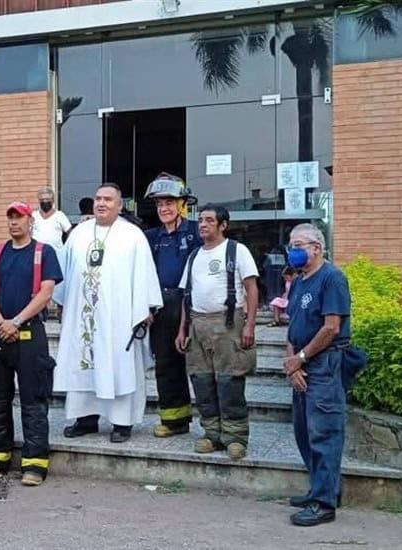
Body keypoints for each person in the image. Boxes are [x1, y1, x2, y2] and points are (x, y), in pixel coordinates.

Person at [54, 183, 162, 443]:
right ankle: (85, 419)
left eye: (108, 199)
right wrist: (61, 303)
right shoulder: (79, 234)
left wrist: (146, 308)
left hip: (119, 317)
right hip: (84, 316)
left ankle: (121, 423)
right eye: (98, 199)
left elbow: (145, 273)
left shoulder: (133, 235)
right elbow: (63, 273)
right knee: (84, 364)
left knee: (118, 367)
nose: (101, 204)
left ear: (119, 204)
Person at [0, 201, 62, 486]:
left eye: (19, 218)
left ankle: (35, 462)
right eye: (10, 217)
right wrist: (1, 321)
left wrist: (16, 321)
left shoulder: (43, 253)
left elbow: (45, 293)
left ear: (30, 222)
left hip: (29, 335)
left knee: (34, 398)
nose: (14, 222)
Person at [176, 204, 258, 460]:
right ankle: (211, 434)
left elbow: (252, 289)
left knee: (230, 381)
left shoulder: (237, 251)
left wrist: (250, 324)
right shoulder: (193, 257)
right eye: (200, 220)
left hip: (229, 324)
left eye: (209, 220)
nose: (202, 224)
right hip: (197, 325)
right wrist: (182, 330)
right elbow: (186, 297)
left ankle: (235, 437)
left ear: (223, 225)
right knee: (202, 382)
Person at [282, 224, 351, 527]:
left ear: (317, 248)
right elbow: (292, 325)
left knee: (324, 433)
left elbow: (331, 327)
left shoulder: (332, 278)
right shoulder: (298, 282)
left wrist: (300, 359)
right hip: (302, 362)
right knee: (303, 432)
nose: (292, 249)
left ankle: (324, 504)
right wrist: (291, 360)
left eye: (299, 244)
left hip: (324, 364)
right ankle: (322, 490)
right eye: (290, 244)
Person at [143, 173, 202, 438]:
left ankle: (214, 424)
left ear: (182, 204)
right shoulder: (150, 237)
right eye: (159, 204)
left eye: (169, 203)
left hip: (192, 304)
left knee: (200, 366)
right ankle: (174, 420)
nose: (163, 209)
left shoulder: (197, 231)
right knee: (166, 364)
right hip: (161, 305)